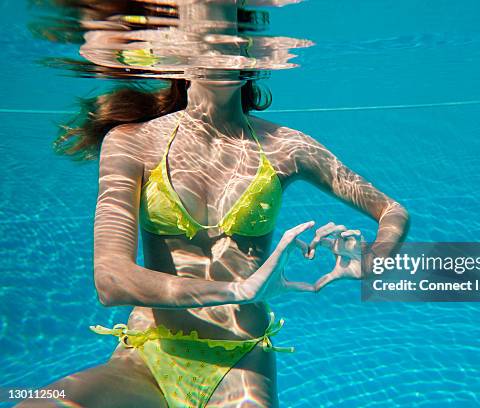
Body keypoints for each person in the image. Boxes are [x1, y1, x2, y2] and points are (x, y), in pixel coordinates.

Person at [19, 2, 409, 407]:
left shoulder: (287, 147)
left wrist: (375, 258)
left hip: (240, 362)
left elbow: (391, 210)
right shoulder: (133, 141)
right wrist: (239, 289)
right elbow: (110, 280)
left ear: (250, 49)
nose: (218, 52)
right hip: (147, 355)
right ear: (171, 47)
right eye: (201, 37)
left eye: (227, 36)